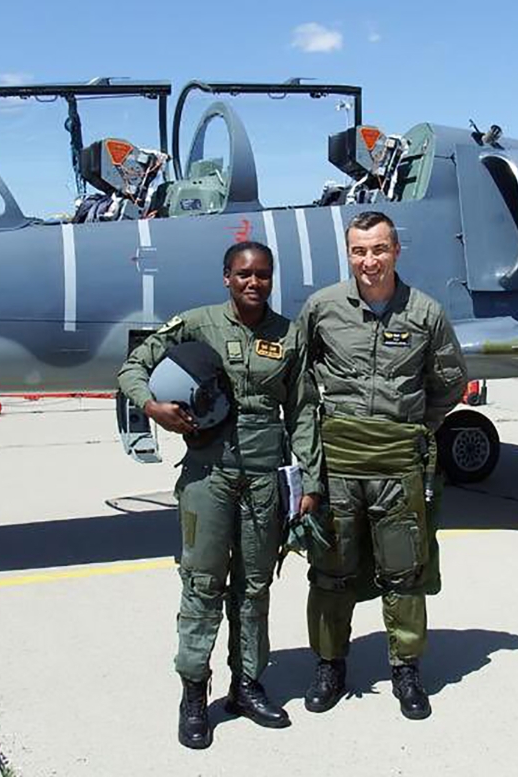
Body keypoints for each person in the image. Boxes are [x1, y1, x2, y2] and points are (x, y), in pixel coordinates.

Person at [118, 241, 322, 750]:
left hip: (264, 477)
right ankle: (193, 693)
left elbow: (302, 412)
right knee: (203, 583)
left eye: (263, 275)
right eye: (244, 274)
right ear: (226, 277)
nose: (254, 283)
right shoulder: (197, 323)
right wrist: (152, 407)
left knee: (255, 587)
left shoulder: (289, 335)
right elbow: (132, 367)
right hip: (209, 475)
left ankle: (247, 685)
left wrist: (310, 483)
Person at [297, 210, 468, 720]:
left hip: (398, 465)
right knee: (331, 569)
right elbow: (299, 378)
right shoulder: (322, 308)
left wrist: (412, 428)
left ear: (396, 251)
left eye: (378, 249)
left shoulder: (425, 313)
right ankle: (330, 665)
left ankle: (406, 668)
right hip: (339, 463)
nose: (369, 261)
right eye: (359, 251)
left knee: (404, 570)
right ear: (348, 253)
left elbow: (450, 382)